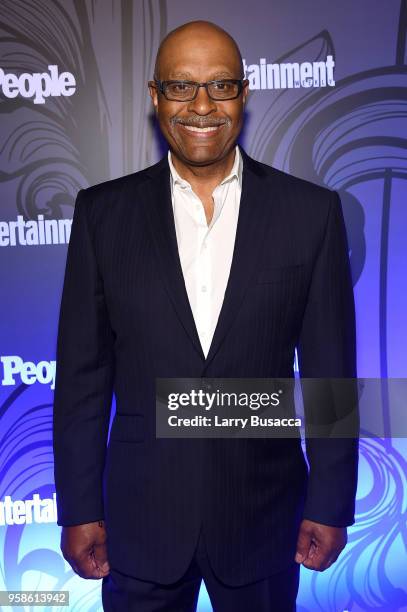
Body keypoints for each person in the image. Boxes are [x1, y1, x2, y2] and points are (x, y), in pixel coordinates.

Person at [53, 20, 359, 612]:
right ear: (154, 96)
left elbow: (329, 377)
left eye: (220, 86)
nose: (201, 105)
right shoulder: (101, 216)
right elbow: (83, 383)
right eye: (181, 86)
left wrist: (329, 502)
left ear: (244, 95)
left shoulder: (310, 214)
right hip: (137, 525)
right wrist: (81, 508)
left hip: (265, 519)